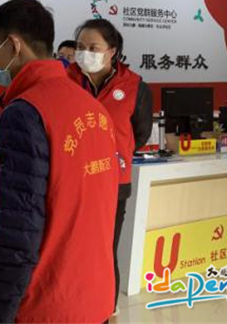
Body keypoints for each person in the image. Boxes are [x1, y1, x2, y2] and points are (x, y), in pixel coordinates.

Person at [0, 0, 119, 324]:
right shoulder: (93, 108)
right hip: (95, 296)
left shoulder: (25, 113)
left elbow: (16, 239)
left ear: (14, 46)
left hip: (49, 305)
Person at [67, 18, 153, 316]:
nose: (85, 53)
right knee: (72, 250)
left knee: (104, 250)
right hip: (73, 180)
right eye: (80, 46)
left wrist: (113, 154)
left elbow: (139, 134)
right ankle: (74, 307)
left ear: (112, 51)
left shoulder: (134, 86)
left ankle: (106, 309)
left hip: (113, 183)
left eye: (93, 48)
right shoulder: (65, 80)